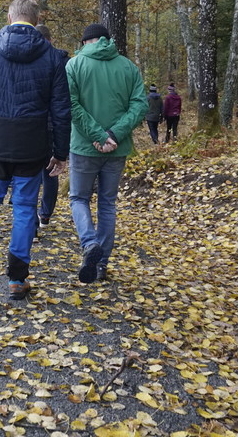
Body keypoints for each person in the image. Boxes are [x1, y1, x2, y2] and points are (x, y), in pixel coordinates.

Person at [0, 0, 70, 300]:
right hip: (33, 144)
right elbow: (62, 111)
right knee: (24, 207)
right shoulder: (52, 56)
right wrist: (61, 153)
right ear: (36, 20)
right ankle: (18, 279)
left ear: (9, 17)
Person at [66, 23, 148, 283]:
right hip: (116, 148)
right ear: (107, 40)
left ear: (85, 42)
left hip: (83, 147)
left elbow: (71, 105)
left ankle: (89, 243)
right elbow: (140, 105)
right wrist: (113, 134)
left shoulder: (74, 65)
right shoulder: (128, 67)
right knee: (107, 204)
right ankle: (101, 265)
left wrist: (98, 135)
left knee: (79, 198)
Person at [33, 24, 70, 236]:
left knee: (31, 173)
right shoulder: (63, 61)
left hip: (33, 124)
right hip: (54, 125)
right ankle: (45, 215)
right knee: (51, 171)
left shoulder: (31, 59)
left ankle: (32, 219)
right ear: (51, 39)